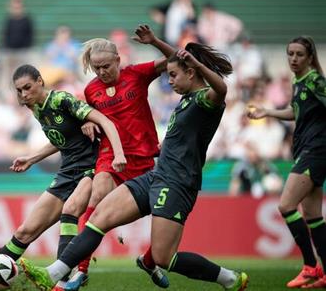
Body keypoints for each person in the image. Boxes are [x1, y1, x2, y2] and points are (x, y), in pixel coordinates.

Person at [19, 43, 249, 291]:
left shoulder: (205, 100)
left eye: (173, 75)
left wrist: (169, 49)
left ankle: (230, 279)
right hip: (157, 175)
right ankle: (56, 275)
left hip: (177, 183)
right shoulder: (185, 101)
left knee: (165, 257)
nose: (169, 81)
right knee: (98, 217)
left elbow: (222, 88)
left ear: (191, 72)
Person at [0, 64, 126, 291]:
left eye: (27, 87)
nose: (24, 94)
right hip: (67, 171)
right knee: (25, 231)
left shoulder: (61, 99)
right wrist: (33, 158)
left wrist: (118, 153)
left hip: (92, 166)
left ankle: (62, 282)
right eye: (19, 90)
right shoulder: (35, 107)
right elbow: (61, 137)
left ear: (40, 81)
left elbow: (103, 120)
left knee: (70, 209)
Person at [66, 24, 175, 290]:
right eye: (96, 68)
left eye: (106, 66)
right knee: (96, 195)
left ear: (118, 60)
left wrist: (154, 41)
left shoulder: (137, 74)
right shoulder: (91, 90)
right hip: (110, 159)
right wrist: (86, 123)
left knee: (163, 215)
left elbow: (177, 59)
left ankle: (150, 261)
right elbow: (84, 116)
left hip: (145, 161)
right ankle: (80, 271)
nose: (102, 72)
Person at [247, 36, 326, 288]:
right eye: (290, 53)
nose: (293, 58)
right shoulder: (298, 80)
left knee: (286, 205)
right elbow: (296, 110)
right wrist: (268, 111)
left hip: (316, 151)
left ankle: (310, 266)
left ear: (310, 57)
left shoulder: (314, 80)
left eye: (299, 54)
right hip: (306, 148)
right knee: (313, 215)